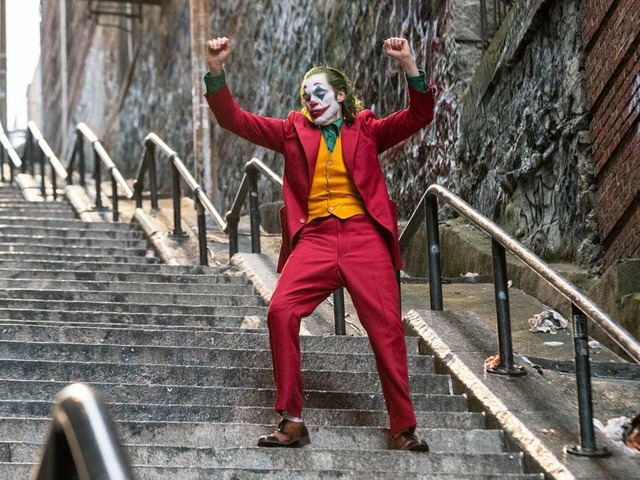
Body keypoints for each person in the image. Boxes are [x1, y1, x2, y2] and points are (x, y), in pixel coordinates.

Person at [204, 35, 436, 451]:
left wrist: (409, 65)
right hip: (314, 238)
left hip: (365, 237)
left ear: (341, 95)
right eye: (306, 95)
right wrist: (216, 71)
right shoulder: (291, 131)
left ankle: (402, 427)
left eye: (320, 93)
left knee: (386, 328)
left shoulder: (366, 129)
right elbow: (233, 119)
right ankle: (292, 420)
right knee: (281, 311)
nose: (311, 100)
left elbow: (419, 115)